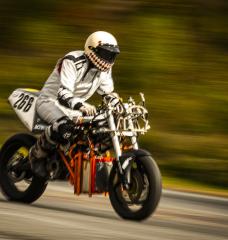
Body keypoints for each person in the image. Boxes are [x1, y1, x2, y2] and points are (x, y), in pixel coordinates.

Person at [29, 31, 120, 178]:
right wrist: (82, 107)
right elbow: (63, 94)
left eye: (112, 55)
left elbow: (108, 94)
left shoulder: (105, 70)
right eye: (105, 54)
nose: (109, 59)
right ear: (92, 49)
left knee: (104, 128)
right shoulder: (72, 61)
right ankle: (36, 156)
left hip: (76, 108)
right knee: (64, 126)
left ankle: (86, 160)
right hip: (51, 101)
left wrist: (119, 106)